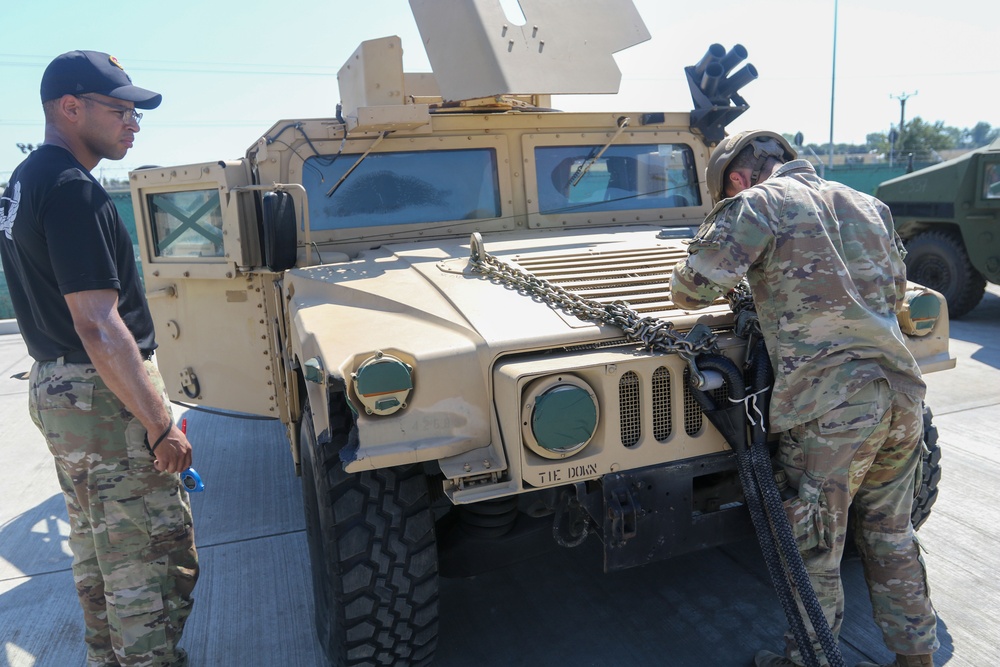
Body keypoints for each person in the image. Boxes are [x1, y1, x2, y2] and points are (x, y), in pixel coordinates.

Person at [669, 130, 938, 667]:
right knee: (891, 533)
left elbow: (689, 290)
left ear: (738, 178)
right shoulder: (870, 205)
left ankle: (807, 661)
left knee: (814, 544)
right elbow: (895, 293)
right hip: (900, 397)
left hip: (830, 409)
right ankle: (917, 656)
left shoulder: (757, 204)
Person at [0, 51, 198, 666]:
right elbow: (95, 321)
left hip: (59, 388)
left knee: (99, 552)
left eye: (135, 112)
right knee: (152, 559)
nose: (133, 123)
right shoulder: (70, 189)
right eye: (119, 110)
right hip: (101, 393)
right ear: (70, 107)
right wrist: (159, 423)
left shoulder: (26, 180)